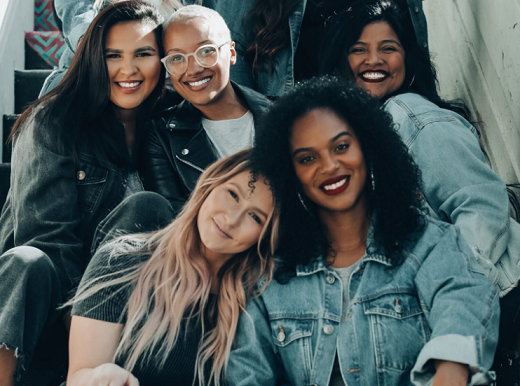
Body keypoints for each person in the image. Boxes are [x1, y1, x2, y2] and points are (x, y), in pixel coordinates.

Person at [224, 78, 505, 386]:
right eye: (307, 158)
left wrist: (449, 379)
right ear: (288, 172)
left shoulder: (426, 241)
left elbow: (464, 297)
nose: (329, 165)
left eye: (341, 146)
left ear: (368, 146)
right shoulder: (269, 276)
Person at [321, 0, 520, 386]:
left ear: (408, 59)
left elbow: (482, 207)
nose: (373, 60)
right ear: (342, 61)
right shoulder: (360, 136)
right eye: (359, 48)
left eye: (388, 47)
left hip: (498, 296)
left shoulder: (409, 114)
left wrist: (447, 302)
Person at [17, 150, 280, 386]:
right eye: (232, 194)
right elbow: (78, 379)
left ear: (265, 235)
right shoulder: (124, 260)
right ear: (210, 184)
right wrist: (103, 375)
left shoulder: (257, 301)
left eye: (255, 216)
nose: (231, 219)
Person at [0, 0, 168, 386]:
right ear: (94, 58)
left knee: (148, 210)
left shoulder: (168, 129)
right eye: (113, 55)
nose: (127, 70)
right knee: (28, 262)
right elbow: (47, 245)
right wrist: (92, 326)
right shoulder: (53, 121)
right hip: (53, 314)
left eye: (143, 54)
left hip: (132, 317)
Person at [145, 5, 271, 214]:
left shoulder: (284, 114)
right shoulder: (160, 135)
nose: (193, 69)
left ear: (231, 53)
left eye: (206, 52)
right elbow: (176, 223)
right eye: (177, 58)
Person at [214, 0, 427, 97]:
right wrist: (250, 124)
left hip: (392, 110)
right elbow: (233, 46)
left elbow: (410, 36)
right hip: (301, 120)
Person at [40, 0, 215, 97]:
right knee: (59, 100)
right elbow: (76, 8)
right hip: (97, 53)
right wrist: (91, 42)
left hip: (172, 72)